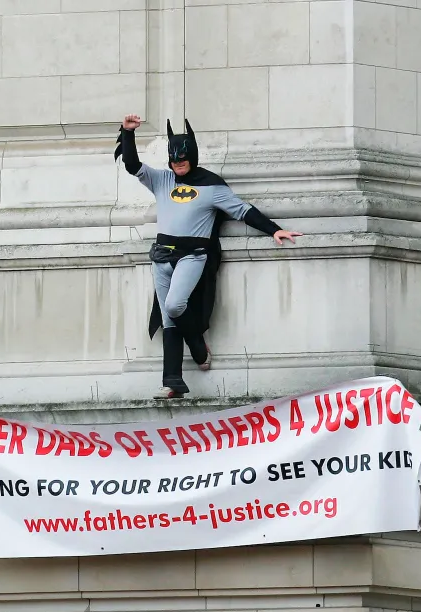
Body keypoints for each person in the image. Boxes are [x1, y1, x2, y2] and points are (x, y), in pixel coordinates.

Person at [115, 114, 302, 399]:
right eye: (174, 161)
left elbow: (243, 210)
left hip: (192, 256)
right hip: (162, 257)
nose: (178, 165)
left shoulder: (212, 185)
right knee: (168, 319)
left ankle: (198, 345)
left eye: (183, 160)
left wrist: (274, 230)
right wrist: (127, 134)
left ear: (193, 156)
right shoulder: (162, 180)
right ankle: (173, 382)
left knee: (176, 305)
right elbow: (132, 165)